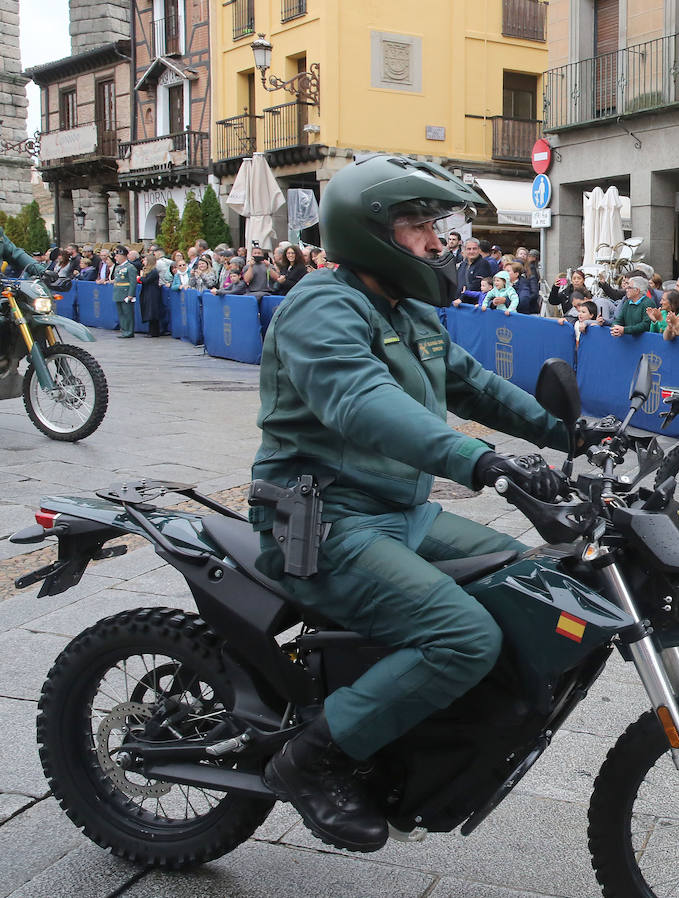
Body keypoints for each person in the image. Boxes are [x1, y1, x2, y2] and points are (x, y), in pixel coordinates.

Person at [252, 155, 570, 853]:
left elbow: (476, 386)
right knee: (464, 635)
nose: (436, 241)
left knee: (530, 587)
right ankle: (311, 761)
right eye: (419, 225)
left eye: (436, 226)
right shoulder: (321, 306)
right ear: (370, 233)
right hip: (325, 519)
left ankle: (421, 733)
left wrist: (572, 430)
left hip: (402, 513)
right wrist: (479, 460)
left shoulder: (408, 309)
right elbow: (363, 404)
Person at [111, 247, 138, 338]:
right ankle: (124, 330)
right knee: (121, 313)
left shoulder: (130, 267)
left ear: (123, 256)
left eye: (117, 256)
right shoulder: (118, 267)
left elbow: (133, 282)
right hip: (118, 292)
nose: (116, 258)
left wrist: (131, 294)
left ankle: (129, 331)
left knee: (128, 313)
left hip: (126, 293)